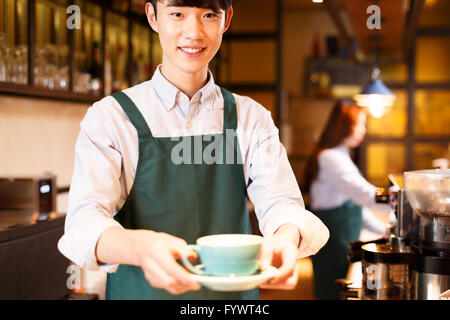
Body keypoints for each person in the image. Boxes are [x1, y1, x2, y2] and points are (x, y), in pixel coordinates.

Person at [58, 0, 329, 300]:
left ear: (226, 20)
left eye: (209, 15)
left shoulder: (251, 118)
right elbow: (84, 222)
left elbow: (282, 204)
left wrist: (285, 239)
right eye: (177, 14)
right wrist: (142, 247)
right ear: (152, 16)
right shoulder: (111, 118)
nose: (194, 32)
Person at [304, 100, 391, 300]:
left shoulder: (342, 155)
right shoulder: (330, 157)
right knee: (331, 291)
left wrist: (381, 229)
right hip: (332, 240)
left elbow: (355, 204)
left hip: (343, 238)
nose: (364, 130)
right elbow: (366, 195)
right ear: (343, 125)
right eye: (360, 124)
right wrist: (403, 199)